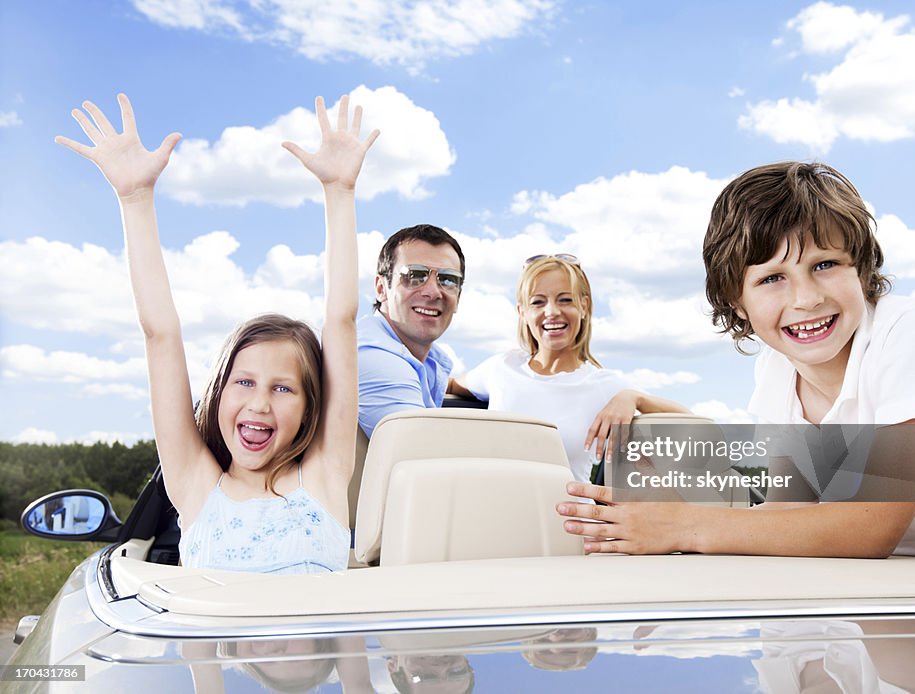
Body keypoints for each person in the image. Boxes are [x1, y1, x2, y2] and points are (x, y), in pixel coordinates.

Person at [557, 161, 915, 559]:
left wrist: (685, 526)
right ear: (736, 302)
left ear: (861, 268)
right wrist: (665, 515)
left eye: (825, 265)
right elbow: (788, 513)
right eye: (771, 278)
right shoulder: (777, 371)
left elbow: (872, 526)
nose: (806, 298)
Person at [57, 93, 378, 573]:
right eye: (244, 382)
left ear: (312, 406)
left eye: (283, 388)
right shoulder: (195, 486)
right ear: (219, 392)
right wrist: (134, 199)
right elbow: (160, 334)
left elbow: (340, 321)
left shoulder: (325, 476)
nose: (259, 404)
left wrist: (340, 194)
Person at [449, 255, 690, 482]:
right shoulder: (501, 367)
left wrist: (634, 398)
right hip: (498, 520)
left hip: (569, 524)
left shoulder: (603, 385)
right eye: (538, 302)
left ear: (584, 307)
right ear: (522, 312)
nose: (552, 312)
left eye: (565, 300)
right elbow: (446, 385)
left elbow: (696, 422)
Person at [357, 224, 465, 437]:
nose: (433, 292)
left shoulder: (430, 361)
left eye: (448, 279)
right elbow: (421, 454)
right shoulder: (375, 359)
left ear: (458, 296)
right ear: (381, 288)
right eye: (414, 275)